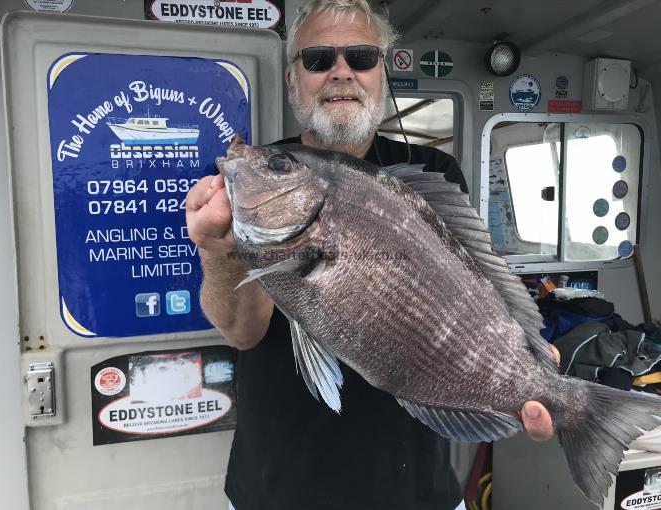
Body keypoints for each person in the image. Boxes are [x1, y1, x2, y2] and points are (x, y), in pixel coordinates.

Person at [186, 1, 557, 509]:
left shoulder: (431, 171)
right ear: (294, 80)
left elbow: (478, 287)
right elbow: (243, 332)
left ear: (383, 73)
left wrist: (524, 360)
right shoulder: (262, 174)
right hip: (276, 489)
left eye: (361, 57)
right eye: (318, 59)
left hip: (416, 491)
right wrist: (219, 250)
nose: (341, 71)